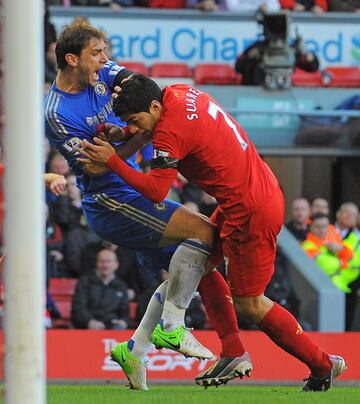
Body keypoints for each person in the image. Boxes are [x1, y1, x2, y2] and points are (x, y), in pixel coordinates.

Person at [78, 74, 347, 391]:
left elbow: (155, 190)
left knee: (250, 304)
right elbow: (161, 128)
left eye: (135, 121)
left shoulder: (168, 131)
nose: (135, 129)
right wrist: (124, 134)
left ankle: (322, 364)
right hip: (253, 192)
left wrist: (113, 160)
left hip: (249, 210)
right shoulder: (178, 93)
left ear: (153, 105)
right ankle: (187, 348)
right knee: (195, 263)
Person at [44, 19, 249, 390]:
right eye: (97, 53)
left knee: (194, 265)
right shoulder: (58, 114)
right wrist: (131, 140)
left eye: (105, 51)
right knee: (204, 233)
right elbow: (98, 164)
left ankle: (134, 349)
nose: (106, 59)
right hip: (110, 200)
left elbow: (143, 99)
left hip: (131, 187)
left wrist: (124, 139)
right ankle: (172, 327)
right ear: (72, 59)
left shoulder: (104, 71)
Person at [71, 248, 130, 329]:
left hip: (113, 328)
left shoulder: (121, 285)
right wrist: (89, 321)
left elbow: (125, 312)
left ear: (116, 264)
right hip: (87, 327)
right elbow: (78, 308)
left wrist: (123, 321)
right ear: (97, 263)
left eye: (108, 261)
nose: (105, 265)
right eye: (102, 261)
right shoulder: (85, 282)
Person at [302, 213, 355, 293]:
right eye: (317, 226)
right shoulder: (307, 245)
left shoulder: (331, 242)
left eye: (324, 226)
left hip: (338, 289)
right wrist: (343, 263)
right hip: (319, 291)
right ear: (310, 228)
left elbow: (350, 256)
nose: (322, 229)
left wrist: (341, 248)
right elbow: (324, 265)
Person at [335, 203, 360, 330]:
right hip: (326, 282)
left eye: (353, 214)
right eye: (346, 212)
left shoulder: (357, 237)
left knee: (346, 325)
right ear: (338, 214)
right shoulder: (324, 230)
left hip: (351, 286)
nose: (349, 216)